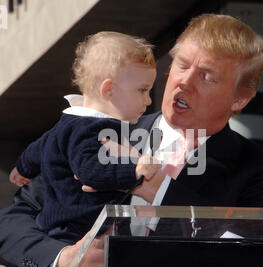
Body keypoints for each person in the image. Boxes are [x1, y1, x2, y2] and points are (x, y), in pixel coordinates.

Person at [0, 14, 263, 267]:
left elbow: (256, 261)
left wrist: (155, 185)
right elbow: (13, 221)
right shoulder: (93, 131)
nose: (184, 82)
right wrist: (63, 262)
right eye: (181, 65)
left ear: (239, 99)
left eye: (206, 77)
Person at [8, 31, 159, 243]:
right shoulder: (90, 130)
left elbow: (39, 148)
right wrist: (135, 170)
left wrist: (23, 168)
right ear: (108, 90)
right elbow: (89, 171)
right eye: (142, 90)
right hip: (78, 232)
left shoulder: (70, 122)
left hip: (73, 228)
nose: (149, 100)